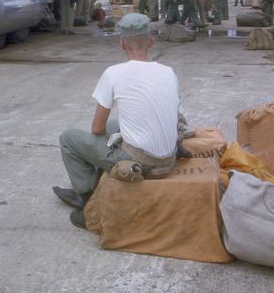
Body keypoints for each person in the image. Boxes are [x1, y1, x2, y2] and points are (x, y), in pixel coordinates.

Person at [53, 13, 180, 228]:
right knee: (114, 126)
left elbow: (96, 128)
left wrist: (98, 147)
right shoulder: (169, 72)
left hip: (143, 164)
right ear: (150, 41)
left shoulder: (114, 73)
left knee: (69, 138)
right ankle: (96, 179)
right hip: (169, 159)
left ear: (122, 44)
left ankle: (85, 197)